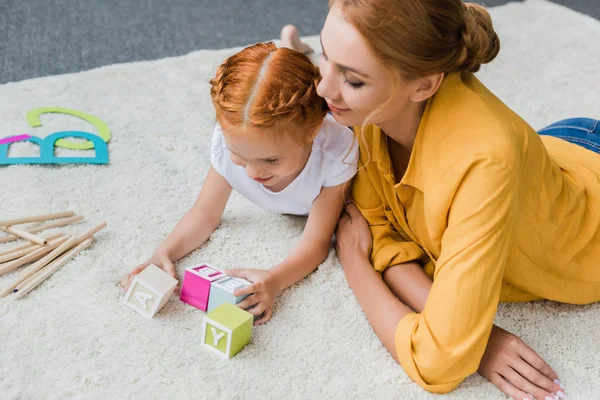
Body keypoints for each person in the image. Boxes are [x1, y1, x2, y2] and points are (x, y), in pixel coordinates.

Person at [284, 1, 599, 399]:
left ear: (425, 84)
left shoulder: (485, 160)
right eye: (326, 57)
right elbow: (379, 229)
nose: (323, 88)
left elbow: (440, 361)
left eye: (353, 79)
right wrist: (477, 335)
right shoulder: (365, 110)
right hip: (555, 145)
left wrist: (355, 265)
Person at [121, 42, 358, 325]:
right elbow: (205, 214)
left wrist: (274, 279)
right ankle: (293, 45)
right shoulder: (227, 139)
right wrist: (164, 253)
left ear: (314, 132)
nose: (253, 172)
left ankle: (295, 46)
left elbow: (317, 241)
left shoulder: (336, 153)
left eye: (271, 160)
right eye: (240, 156)